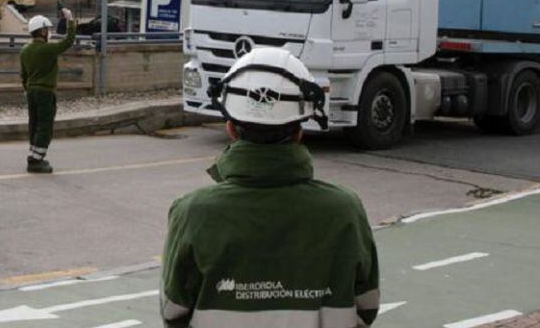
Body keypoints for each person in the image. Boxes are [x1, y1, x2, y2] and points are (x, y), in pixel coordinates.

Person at [160, 47, 380, 328]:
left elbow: (172, 311)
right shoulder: (346, 210)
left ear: (231, 128)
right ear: (300, 130)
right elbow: (367, 305)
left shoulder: (192, 212)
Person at [19, 10, 75, 173]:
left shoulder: (24, 51)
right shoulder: (48, 50)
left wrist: (27, 89)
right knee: (45, 125)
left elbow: (23, 75)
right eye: (47, 30)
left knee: (34, 123)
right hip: (45, 92)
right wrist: (70, 20)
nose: (48, 33)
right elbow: (68, 41)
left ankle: (34, 153)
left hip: (31, 92)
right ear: (42, 31)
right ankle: (35, 160)